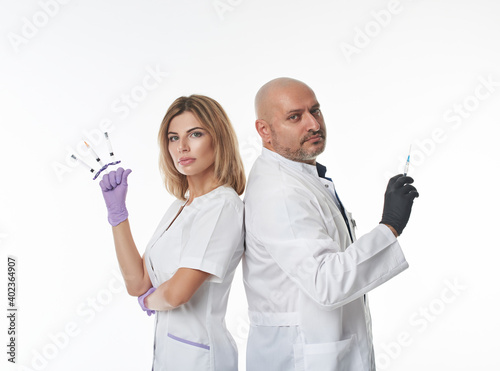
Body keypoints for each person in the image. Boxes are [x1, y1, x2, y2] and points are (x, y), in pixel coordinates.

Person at [243, 77, 419, 371]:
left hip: (325, 348)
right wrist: (389, 226)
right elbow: (327, 282)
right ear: (264, 131)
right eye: (295, 117)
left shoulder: (301, 176)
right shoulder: (279, 193)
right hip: (299, 358)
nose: (313, 124)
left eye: (316, 111)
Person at [99, 95, 246, 370]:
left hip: (202, 359)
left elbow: (178, 293)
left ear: (219, 139)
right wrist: (118, 215)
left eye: (196, 134)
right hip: (168, 356)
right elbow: (138, 283)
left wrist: (149, 301)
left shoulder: (223, 206)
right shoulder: (180, 206)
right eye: (173, 138)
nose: (183, 147)